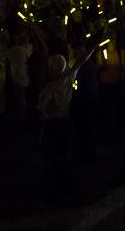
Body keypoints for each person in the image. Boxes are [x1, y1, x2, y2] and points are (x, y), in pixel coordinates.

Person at [37, 42, 98, 204]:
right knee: (65, 156)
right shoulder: (68, 78)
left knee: (52, 157)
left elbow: (45, 111)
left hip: (52, 126)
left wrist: (44, 111)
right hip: (66, 123)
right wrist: (93, 47)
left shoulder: (50, 88)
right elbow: (80, 62)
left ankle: (54, 189)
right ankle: (66, 187)